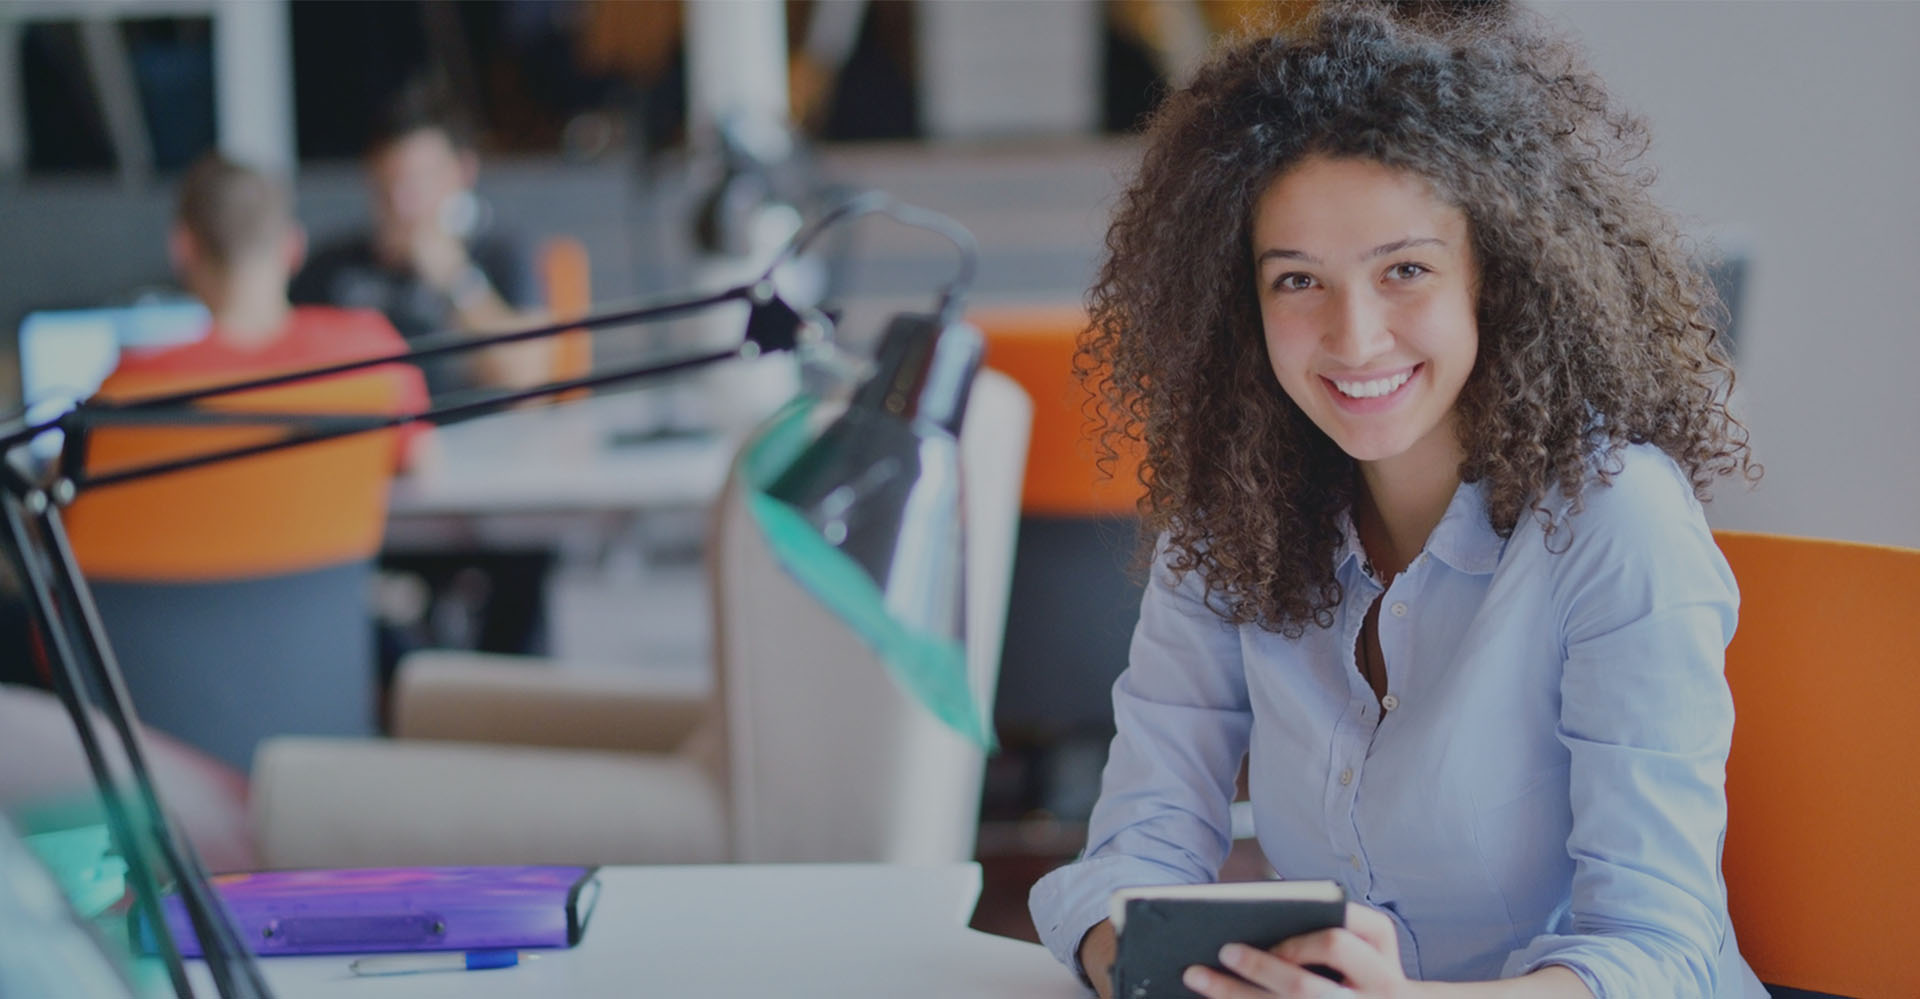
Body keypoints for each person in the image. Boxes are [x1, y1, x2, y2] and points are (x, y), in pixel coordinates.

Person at [1028, 3, 1764, 997]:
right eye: (1297, 281)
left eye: (1405, 270)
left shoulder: (1611, 518)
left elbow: (1660, 956)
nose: (1355, 336)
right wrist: (1155, 969)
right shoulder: (1230, 521)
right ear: (1242, 305)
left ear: (1493, 280)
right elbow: (1128, 859)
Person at [99, 154, 429, 469]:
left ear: (183, 249)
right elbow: (419, 462)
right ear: (294, 246)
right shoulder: (374, 352)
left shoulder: (130, 390)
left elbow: (65, 505)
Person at [291, 84, 551, 394]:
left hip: (471, 432)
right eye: (386, 187)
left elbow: (528, 381)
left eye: (416, 184)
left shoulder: (500, 251)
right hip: (371, 430)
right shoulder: (334, 265)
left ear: (462, 171)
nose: (401, 205)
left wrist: (456, 280)